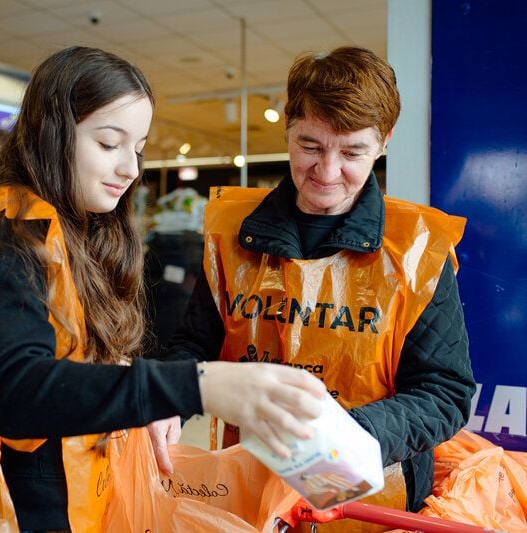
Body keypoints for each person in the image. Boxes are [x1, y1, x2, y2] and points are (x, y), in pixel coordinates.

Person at [0, 46, 328, 533]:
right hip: (6, 515)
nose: (130, 168)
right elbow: (13, 390)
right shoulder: (10, 238)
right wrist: (198, 385)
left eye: (138, 148)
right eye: (110, 144)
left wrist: (133, 391)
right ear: (52, 134)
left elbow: (69, 357)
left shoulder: (74, 228)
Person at [160, 46, 476, 516]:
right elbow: (194, 344)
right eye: (310, 146)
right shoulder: (229, 235)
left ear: (384, 140)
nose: (327, 173)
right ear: (288, 128)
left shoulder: (416, 249)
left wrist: (344, 437)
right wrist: (166, 396)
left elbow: (445, 392)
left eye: (352, 152)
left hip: (370, 504)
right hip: (249, 491)